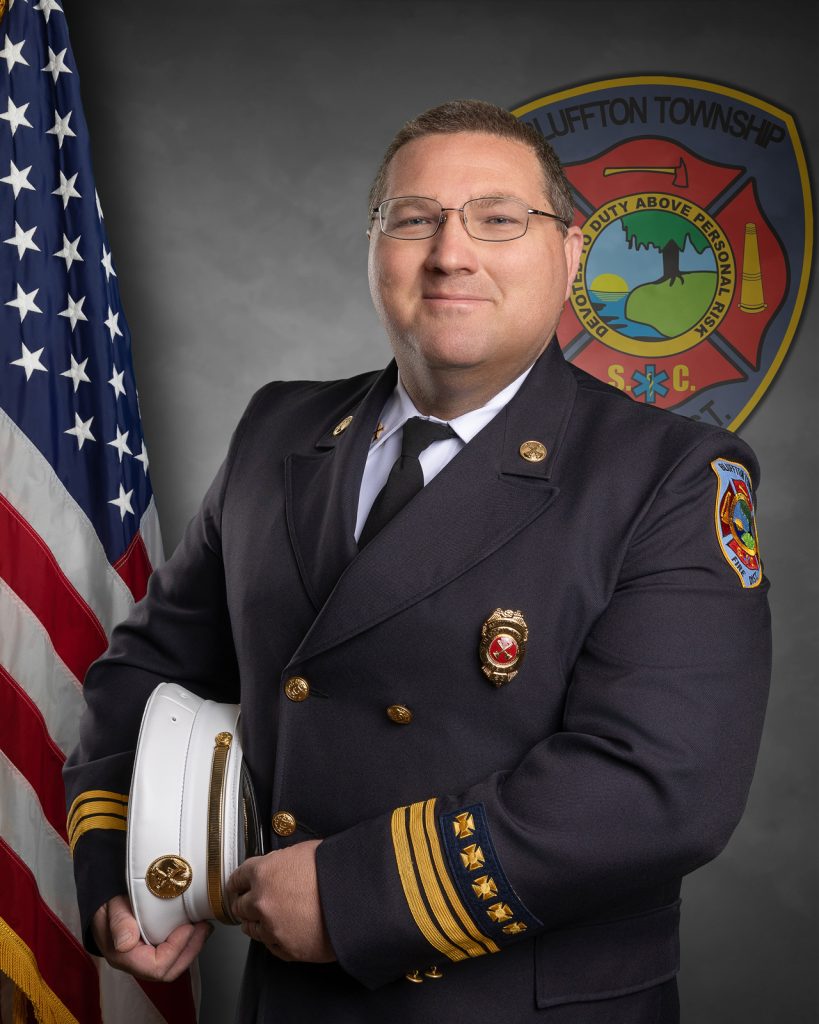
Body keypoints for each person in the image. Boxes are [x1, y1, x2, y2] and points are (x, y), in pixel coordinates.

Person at [64, 99, 771, 1023]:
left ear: (568, 253)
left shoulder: (668, 474)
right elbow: (149, 669)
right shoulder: (279, 430)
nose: (450, 253)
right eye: (413, 219)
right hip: (289, 1002)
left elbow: (661, 783)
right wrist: (136, 865)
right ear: (374, 248)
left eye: (498, 219)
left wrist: (362, 895)